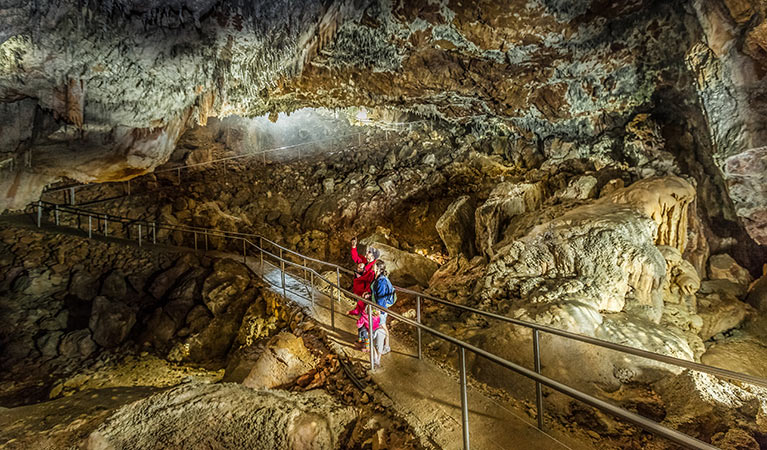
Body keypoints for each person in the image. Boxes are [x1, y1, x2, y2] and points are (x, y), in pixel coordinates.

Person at [371, 260, 395, 354]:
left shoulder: (381, 281)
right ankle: (383, 344)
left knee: (382, 325)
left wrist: (379, 310)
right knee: (381, 325)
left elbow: (381, 297)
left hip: (381, 308)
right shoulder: (378, 278)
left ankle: (386, 346)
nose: (373, 266)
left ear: (378, 268)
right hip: (378, 306)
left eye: (374, 265)